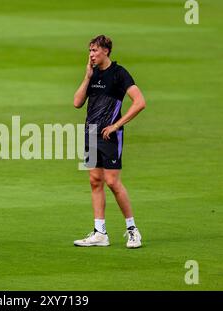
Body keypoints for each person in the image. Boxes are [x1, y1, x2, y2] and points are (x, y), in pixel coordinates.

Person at [73, 35, 146, 248]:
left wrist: (116, 125)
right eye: (89, 51)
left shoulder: (119, 74)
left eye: (94, 51)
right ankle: (100, 233)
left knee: (113, 182)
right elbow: (77, 103)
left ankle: (133, 230)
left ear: (106, 51)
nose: (91, 55)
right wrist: (87, 77)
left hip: (110, 136)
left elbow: (140, 102)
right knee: (95, 181)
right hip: (91, 133)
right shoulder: (93, 73)